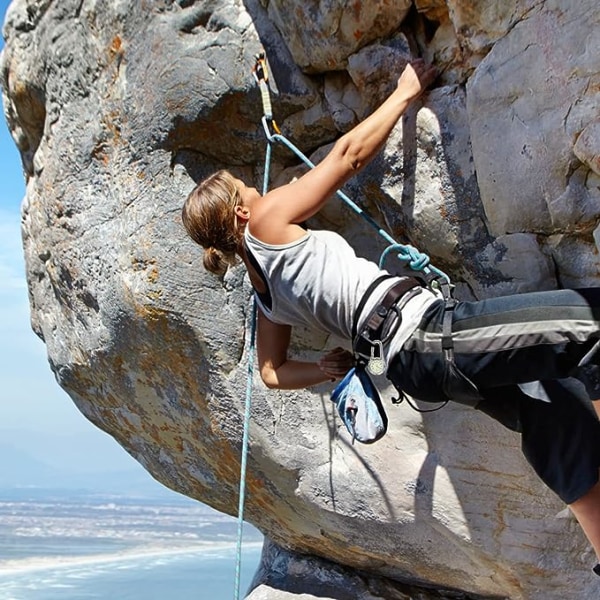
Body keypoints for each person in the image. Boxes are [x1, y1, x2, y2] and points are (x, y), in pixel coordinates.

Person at [181, 60, 600, 576]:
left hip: (410, 363)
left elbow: (271, 373)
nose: (252, 187)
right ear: (240, 213)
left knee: (549, 413)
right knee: (588, 324)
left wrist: (326, 369)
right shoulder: (265, 219)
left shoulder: (264, 295)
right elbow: (347, 156)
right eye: (242, 187)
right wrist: (403, 93)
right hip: (424, 336)